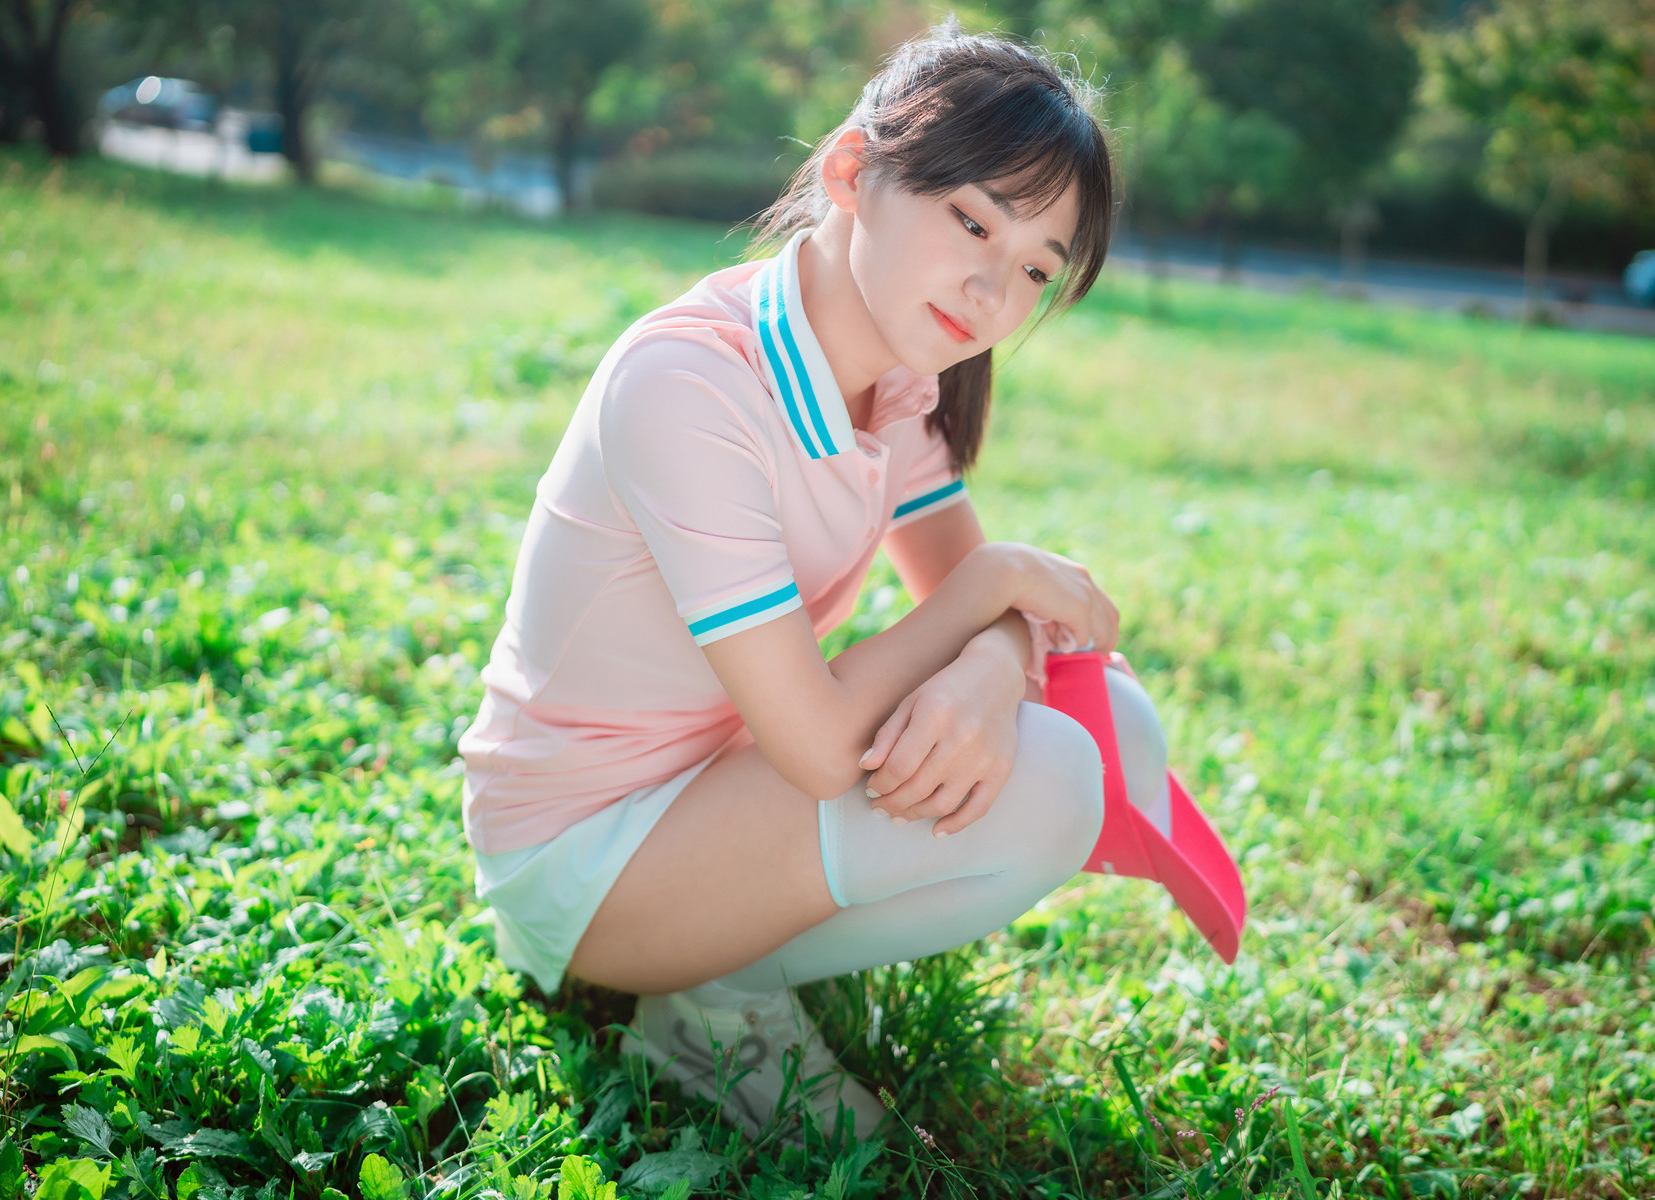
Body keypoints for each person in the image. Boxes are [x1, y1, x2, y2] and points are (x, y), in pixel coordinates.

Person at [457, 23, 1181, 1143]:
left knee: (1111, 723)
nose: (995, 288)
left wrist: (995, 659)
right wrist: (991, 593)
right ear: (850, 170)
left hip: (715, 789)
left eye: (1037, 268)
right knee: (1049, 778)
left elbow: (986, 607)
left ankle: (727, 962)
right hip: (585, 858)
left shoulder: (897, 380)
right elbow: (819, 746)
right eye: (972, 221)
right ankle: (711, 1003)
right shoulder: (689, 383)